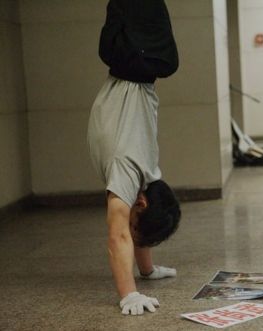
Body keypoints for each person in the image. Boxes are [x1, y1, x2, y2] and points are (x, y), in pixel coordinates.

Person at [87, 0, 181, 315]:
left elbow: (133, 227)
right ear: (141, 201)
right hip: (134, 63)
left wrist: (148, 272)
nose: (133, 234)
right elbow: (119, 234)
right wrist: (129, 293)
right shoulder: (132, 175)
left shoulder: (141, 177)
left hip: (136, 66)